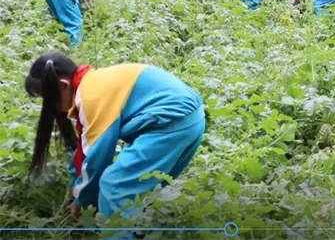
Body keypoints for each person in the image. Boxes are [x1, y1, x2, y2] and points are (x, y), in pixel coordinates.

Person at [25, 50, 206, 222]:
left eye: (48, 99)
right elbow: (86, 149)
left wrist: (80, 200)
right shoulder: (93, 82)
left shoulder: (90, 97)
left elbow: (95, 158)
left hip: (171, 123)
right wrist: (79, 186)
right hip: (192, 119)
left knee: (115, 187)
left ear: (64, 85)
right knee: (145, 191)